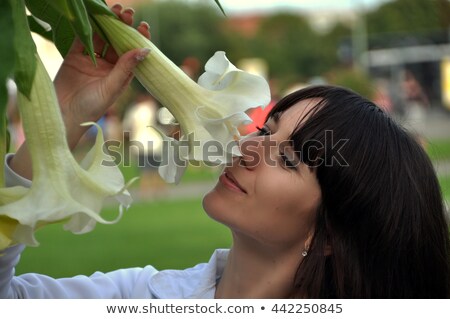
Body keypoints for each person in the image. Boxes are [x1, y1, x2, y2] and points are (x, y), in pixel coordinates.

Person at [1, 5, 449, 299]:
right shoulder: (140, 296)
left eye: (289, 158)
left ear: (329, 235)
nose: (249, 149)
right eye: (264, 130)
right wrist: (57, 123)